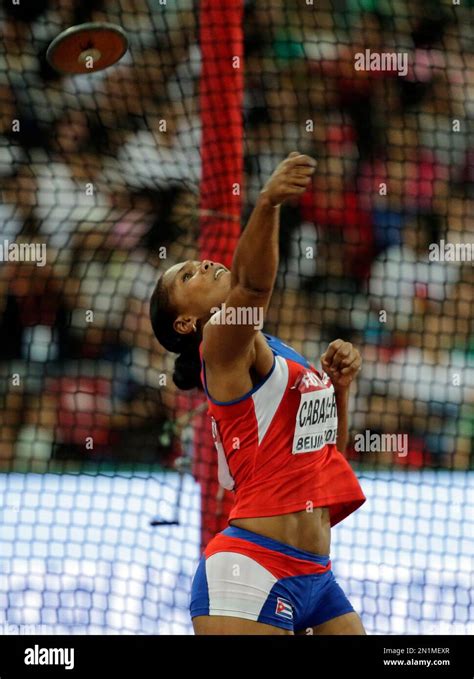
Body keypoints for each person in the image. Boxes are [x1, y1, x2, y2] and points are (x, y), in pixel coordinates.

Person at [150, 152, 366, 635]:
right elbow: (252, 285)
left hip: (317, 575)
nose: (202, 264)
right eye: (188, 276)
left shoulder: (277, 353)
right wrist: (267, 203)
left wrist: (341, 390)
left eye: (198, 263)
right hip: (249, 567)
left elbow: (326, 456)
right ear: (186, 322)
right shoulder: (218, 347)